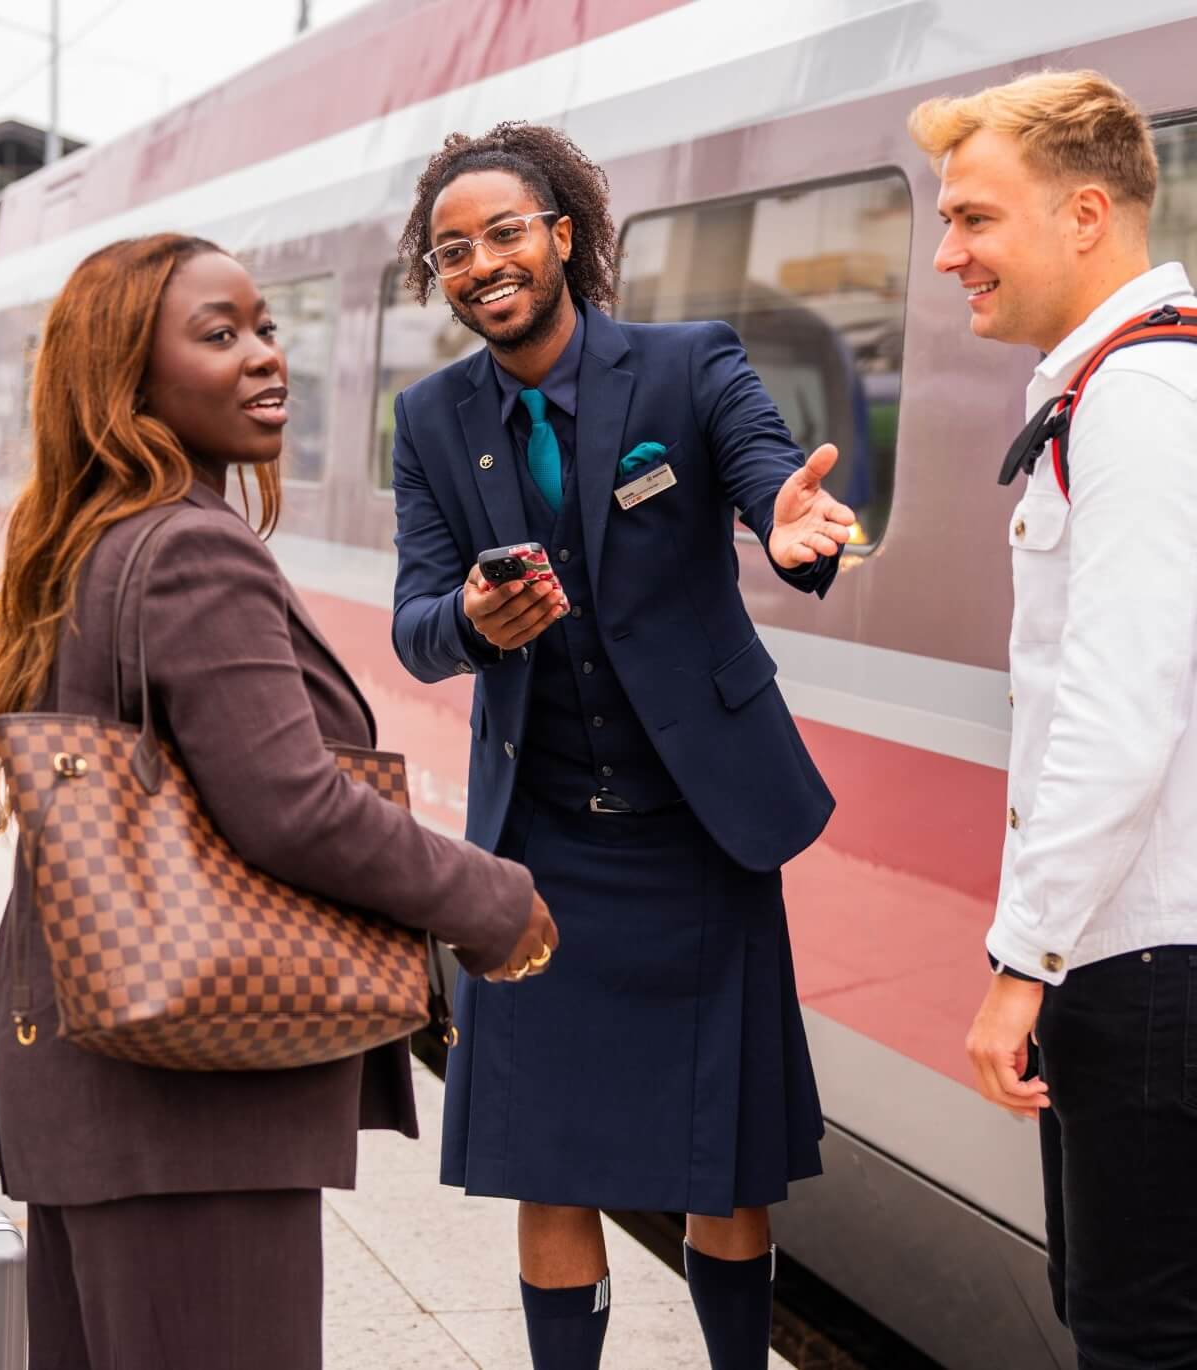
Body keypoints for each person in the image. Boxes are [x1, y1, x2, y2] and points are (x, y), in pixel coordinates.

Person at [0, 233, 556, 1370]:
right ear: (124, 378)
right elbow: (290, 804)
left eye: (266, 327)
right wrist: (493, 901)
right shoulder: (192, 550)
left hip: (96, 1078)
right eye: (219, 334)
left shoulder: (87, 538)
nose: (264, 359)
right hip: (186, 1101)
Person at [387, 123, 855, 1370]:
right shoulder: (432, 420)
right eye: (450, 250)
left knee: (726, 1154)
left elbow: (765, 474)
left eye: (501, 234)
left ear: (560, 236)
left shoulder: (684, 365)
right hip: (539, 844)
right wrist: (475, 625)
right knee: (551, 1159)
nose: (479, 263)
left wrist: (791, 519)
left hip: (701, 831)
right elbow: (416, 627)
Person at [909, 70, 1197, 1367]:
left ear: (1086, 215)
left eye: (974, 217)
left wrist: (1022, 960)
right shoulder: (1119, 385)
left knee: (1135, 1336)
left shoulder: (1139, 399)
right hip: (1140, 955)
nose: (946, 251)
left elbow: (1121, 701)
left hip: (1143, 966)